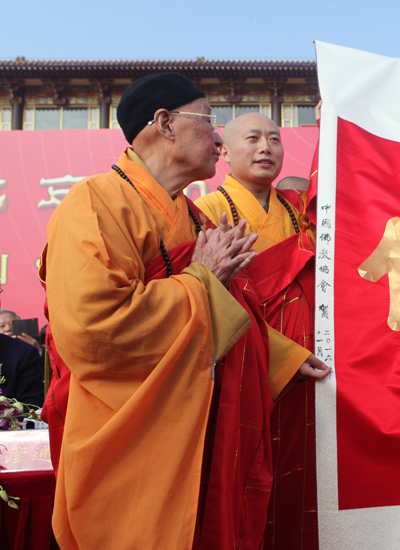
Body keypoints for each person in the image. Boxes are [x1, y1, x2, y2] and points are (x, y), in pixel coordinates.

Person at [40, 72, 327, 550]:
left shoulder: (193, 217)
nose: (219, 139)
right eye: (209, 121)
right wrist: (203, 279)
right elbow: (95, 330)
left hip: (205, 433)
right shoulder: (93, 203)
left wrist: (284, 357)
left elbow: (235, 310)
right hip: (134, 440)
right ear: (164, 123)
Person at [196, 112, 324, 549]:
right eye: (253, 138)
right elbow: (208, 299)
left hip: (316, 364)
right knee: (248, 480)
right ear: (225, 152)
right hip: (249, 367)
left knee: (309, 478)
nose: (266, 147)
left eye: (274, 138)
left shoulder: (298, 211)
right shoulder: (209, 211)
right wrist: (282, 353)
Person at [0, 290, 44, 406]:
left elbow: (30, 408)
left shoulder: (23, 353)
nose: (8, 329)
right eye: (2, 326)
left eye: (12, 324)